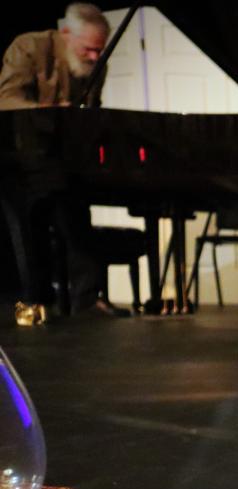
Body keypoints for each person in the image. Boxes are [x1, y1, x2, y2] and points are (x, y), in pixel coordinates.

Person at [1, 3, 117, 320]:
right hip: (20, 155)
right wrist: (53, 111)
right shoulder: (29, 47)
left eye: (100, 50)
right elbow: (7, 98)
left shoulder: (96, 66)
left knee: (78, 222)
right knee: (31, 226)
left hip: (65, 160)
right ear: (66, 34)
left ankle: (86, 300)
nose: (95, 57)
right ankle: (35, 300)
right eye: (89, 49)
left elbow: (93, 111)